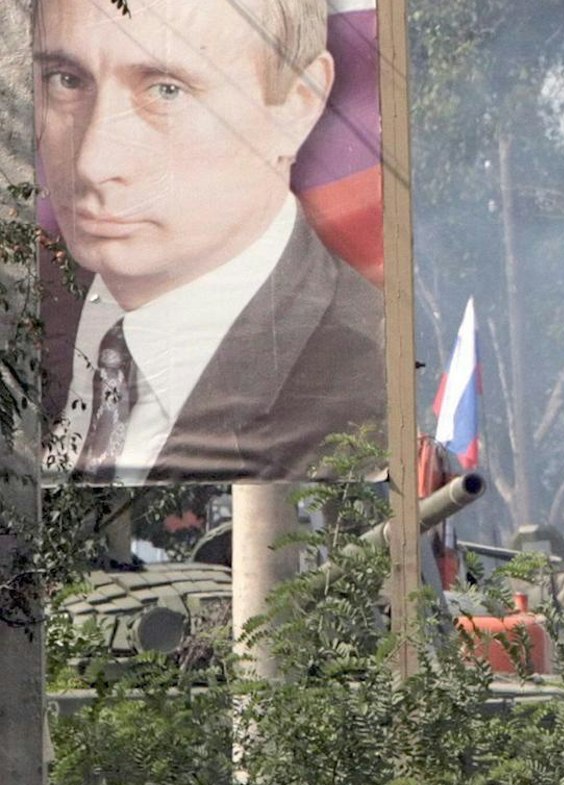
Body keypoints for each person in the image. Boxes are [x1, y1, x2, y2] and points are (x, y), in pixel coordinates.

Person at [34, 0, 385, 483]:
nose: (92, 162)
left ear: (298, 104)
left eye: (165, 90)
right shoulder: (34, 319)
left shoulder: (369, 393)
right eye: (65, 80)